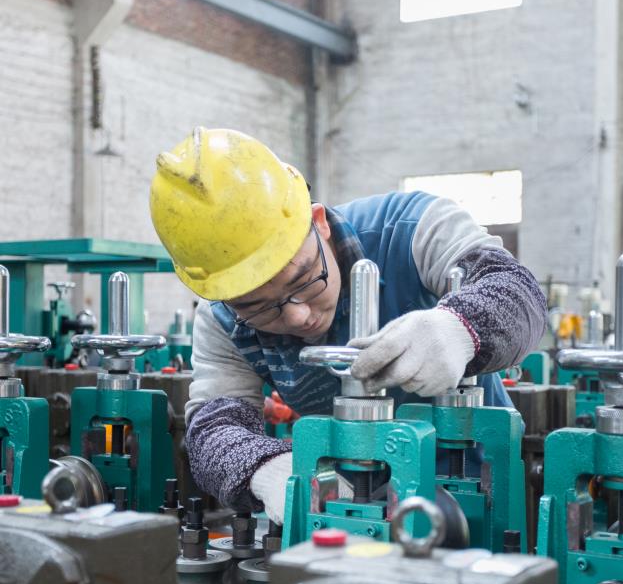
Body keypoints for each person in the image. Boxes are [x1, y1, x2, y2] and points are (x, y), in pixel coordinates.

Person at [150, 127, 547, 523]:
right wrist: (264, 469)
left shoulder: (411, 229)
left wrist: (459, 328)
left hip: (483, 497)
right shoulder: (224, 320)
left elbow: (518, 291)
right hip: (347, 508)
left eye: (304, 280)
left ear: (319, 222)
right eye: (260, 307)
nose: (298, 316)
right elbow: (214, 428)